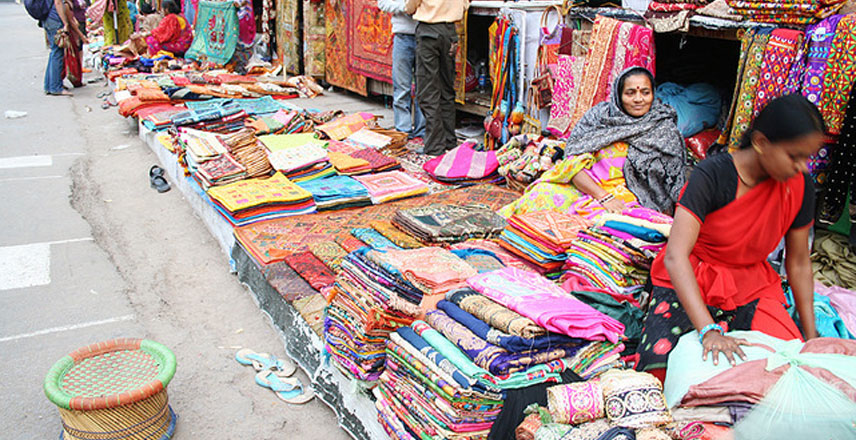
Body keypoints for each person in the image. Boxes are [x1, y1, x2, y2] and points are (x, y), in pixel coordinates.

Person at [635, 94, 823, 382]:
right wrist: (708, 330)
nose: (803, 167)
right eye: (794, 156)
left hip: (750, 283)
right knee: (657, 368)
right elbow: (676, 256)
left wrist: (811, 339)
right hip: (693, 275)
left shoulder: (799, 185)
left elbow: (798, 264)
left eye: (807, 158)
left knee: (789, 363)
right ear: (761, 143)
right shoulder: (712, 175)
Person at [499, 67, 687, 218]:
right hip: (587, 186)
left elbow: (670, 183)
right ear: (618, 96)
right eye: (630, 93)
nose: (638, 99)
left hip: (636, 197)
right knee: (541, 196)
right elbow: (572, 163)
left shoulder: (663, 128)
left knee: (611, 225)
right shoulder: (601, 117)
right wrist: (603, 196)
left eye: (645, 93)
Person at [405, 0, 468, 156]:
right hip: (450, 31)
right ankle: (448, 140)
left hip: (429, 31)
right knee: (446, 88)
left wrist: (411, 9)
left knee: (428, 91)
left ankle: (434, 145)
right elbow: (465, 4)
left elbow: (410, 6)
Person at [377, 0, 425, 142]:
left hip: (425, 35)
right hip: (402, 35)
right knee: (401, 86)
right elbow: (382, 3)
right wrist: (405, 8)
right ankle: (403, 130)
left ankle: (421, 130)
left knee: (423, 87)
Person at [43, 0, 73, 96]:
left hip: (48, 20)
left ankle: (49, 85)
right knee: (57, 53)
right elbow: (58, 3)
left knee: (53, 53)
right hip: (55, 20)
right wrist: (65, 23)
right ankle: (56, 87)